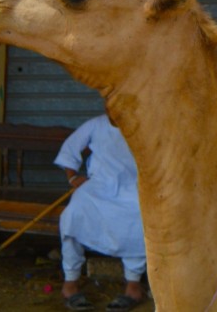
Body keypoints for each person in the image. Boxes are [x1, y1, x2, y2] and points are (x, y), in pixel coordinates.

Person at [55, 113, 146, 312]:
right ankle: (70, 282)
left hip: (133, 188)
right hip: (98, 186)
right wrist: (72, 178)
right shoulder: (96, 124)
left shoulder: (144, 123)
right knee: (73, 214)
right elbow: (69, 149)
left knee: (139, 217)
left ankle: (133, 285)